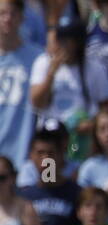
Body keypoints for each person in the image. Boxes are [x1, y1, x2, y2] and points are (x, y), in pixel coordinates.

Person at [0, 0, 46, 169]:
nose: (7, 19)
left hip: (25, 154)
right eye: (2, 13)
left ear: (22, 18)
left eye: (12, 13)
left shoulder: (39, 58)